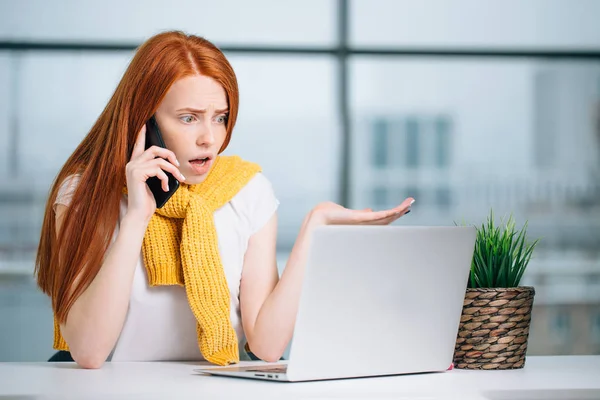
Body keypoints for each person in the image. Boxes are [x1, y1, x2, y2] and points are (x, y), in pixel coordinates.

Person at [34, 30, 414, 369]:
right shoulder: (84, 191)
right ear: (144, 122)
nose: (209, 138)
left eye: (220, 117)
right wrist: (136, 216)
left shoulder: (247, 190)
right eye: (189, 118)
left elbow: (266, 347)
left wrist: (317, 226)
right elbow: (88, 351)